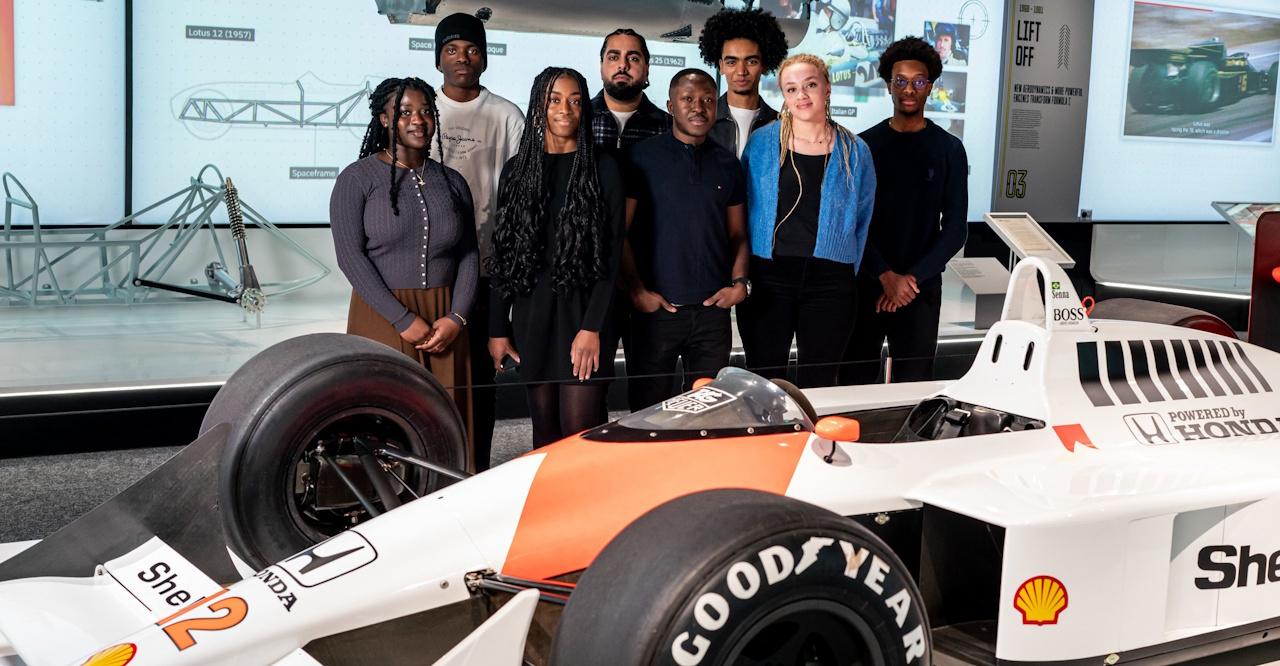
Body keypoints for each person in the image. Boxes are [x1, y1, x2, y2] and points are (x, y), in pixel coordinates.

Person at [330, 77, 478, 464]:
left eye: (426, 111)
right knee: (387, 426)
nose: (418, 120)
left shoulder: (453, 182)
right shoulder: (356, 179)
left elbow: (469, 255)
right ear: (384, 119)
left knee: (448, 426)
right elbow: (350, 257)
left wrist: (457, 318)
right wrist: (401, 318)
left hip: (446, 320)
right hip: (382, 317)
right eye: (406, 112)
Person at [487, 67, 625, 448]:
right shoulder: (517, 171)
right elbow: (505, 253)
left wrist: (592, 327)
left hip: (584, 315)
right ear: (538, 107)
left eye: (576, 101)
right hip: (533, 314)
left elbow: (611, 258)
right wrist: (498, 328)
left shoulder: (604, 168)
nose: (566, 109)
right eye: (555, 99)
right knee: (545, 432)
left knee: (580, 431)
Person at [738, 54, 876, 388]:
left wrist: (840, 265)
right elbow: (743, 206)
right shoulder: (761, 143)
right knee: (764, 379)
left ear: (827, 88)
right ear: (783, 96)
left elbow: (862, 218)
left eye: (810, 85)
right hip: (769, 276)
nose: (802, 95)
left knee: (820, 380)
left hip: (830, 282)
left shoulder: (855, 151)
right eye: (791, 88)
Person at [842, 37, 968, 385]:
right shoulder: (863, 146)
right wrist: (885, 276)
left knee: (914, 388)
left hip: (920, 290)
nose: (909, 89)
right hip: (866, 286)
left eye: (918, 81)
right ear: (888, 86)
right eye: (900, 81)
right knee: (854, 384)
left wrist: (908, 282)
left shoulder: (949, 150)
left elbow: (956, 229)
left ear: (930, 87)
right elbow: (851, 223)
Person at [622, 70, 749, 410]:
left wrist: (740, 282)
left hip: (712, 314)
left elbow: (737, 232)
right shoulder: (640, 158)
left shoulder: (728, 164)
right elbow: (620, 233)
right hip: (656, 312)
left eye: (708, 100)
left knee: (710, 411)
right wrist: (637, 292)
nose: (699, 108)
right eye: (688, 99)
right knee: (649, 413)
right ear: (670, 107)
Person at [432, 12, 525, 471]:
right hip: (432, 273)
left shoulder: (506, 114)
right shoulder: (421, 109)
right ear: (438, 59)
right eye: (452, 49)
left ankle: (477, 469)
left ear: (484, 58)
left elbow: (523, 191)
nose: (462, 58)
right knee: (432, 378)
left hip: (489, 268)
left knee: (478, 381)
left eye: (472, 49)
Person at [698, 8, 788, 158]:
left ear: (764, 66)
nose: (741, 71)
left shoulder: (780, 126)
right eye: (732, 62)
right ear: (721, 66)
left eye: (751, 61)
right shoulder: (703, 120)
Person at [592, 28, 672, 157]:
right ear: (601, 67)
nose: (623, 65)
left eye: (633, 58)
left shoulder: (669, 128)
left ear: (647, 70)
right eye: (614, 57)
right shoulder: (579, 119)